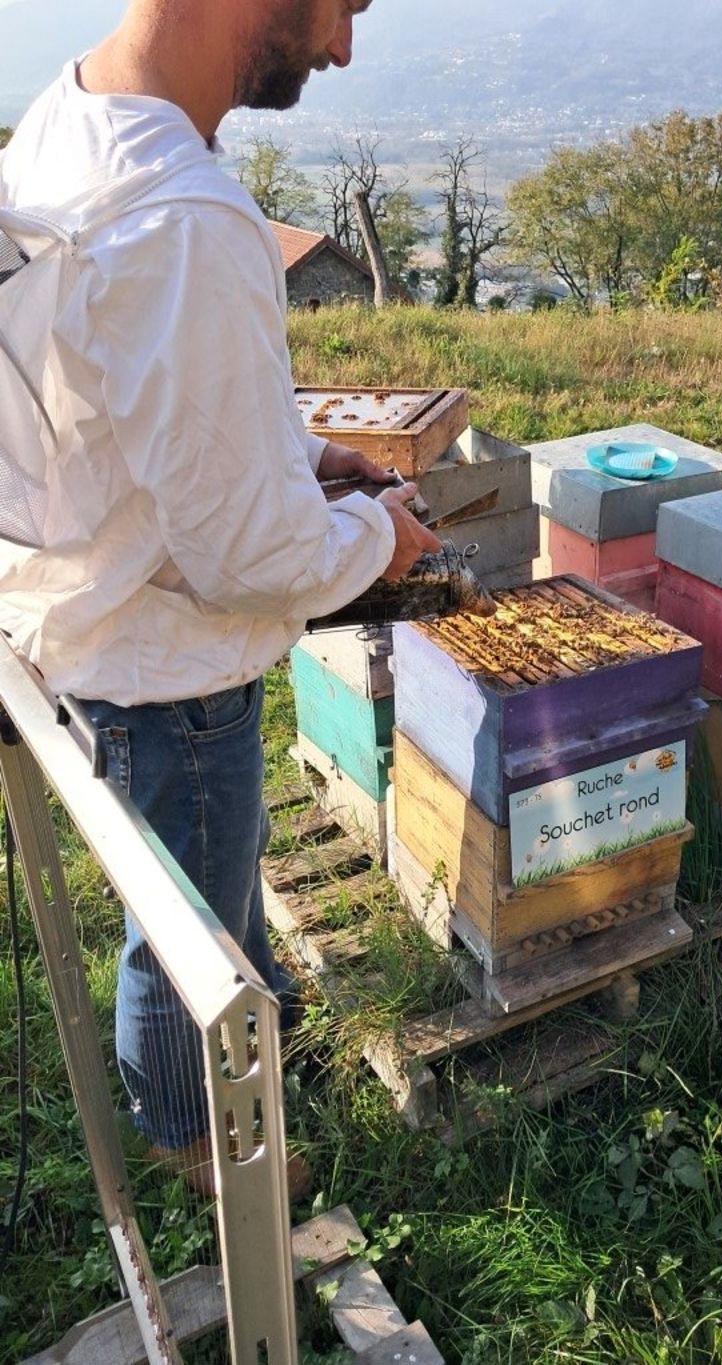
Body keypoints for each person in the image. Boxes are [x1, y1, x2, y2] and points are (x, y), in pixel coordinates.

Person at [0, 0, 440, 1195]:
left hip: (90, 615)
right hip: (168, 664)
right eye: (346, 6)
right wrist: (376, 533)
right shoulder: (185, 216)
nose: (344, 46)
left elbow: (133, 404)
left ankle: (248, 999)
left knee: (210, 869)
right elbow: (256, 557)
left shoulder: (64, 118)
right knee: (178, 937)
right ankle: (201, 1145)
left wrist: (296, 451)